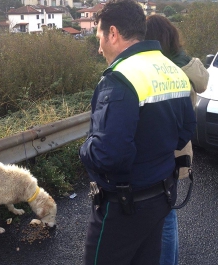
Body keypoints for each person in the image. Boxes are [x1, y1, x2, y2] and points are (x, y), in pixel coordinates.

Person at [78, 1, 196, 264]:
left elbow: (110, 154)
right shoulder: (172, 70)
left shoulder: (120, 78)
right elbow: (186, 129)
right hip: (161, 196)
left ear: (113, 33)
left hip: (122, 206)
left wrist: (85, 149)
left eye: (99, 37)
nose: (99, 48)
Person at [145, 14, 209, 265]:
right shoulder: (185, 63)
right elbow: (203, 84)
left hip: (156, 149)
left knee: (163, 214)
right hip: (181, 146)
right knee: (167, 209)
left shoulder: (152, 67)